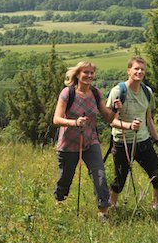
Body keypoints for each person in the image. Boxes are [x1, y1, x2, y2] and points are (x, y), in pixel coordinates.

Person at [53, 61, 141, 220]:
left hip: (90, 141)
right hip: (68, 144)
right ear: (78, 75)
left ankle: (103, 213)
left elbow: (108, 118)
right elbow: (56, 119)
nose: (89, 76)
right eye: (85, 72)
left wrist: (114, 109)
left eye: (91, 73)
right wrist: (74, 122)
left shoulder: (95, 93)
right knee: (65, 177)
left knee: (99, 175)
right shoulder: (67, 93)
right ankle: (60, 204)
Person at [107, 56, 158, 210]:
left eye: (142, 69)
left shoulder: (147, 92)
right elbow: (111, 121)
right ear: (129, 71)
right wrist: (129, 126)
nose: (140, 72)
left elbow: (148, 119)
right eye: (136, 69)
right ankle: (110, 208)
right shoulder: (118, 91)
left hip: (144, 142)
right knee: (119, 182)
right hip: (122, 143)